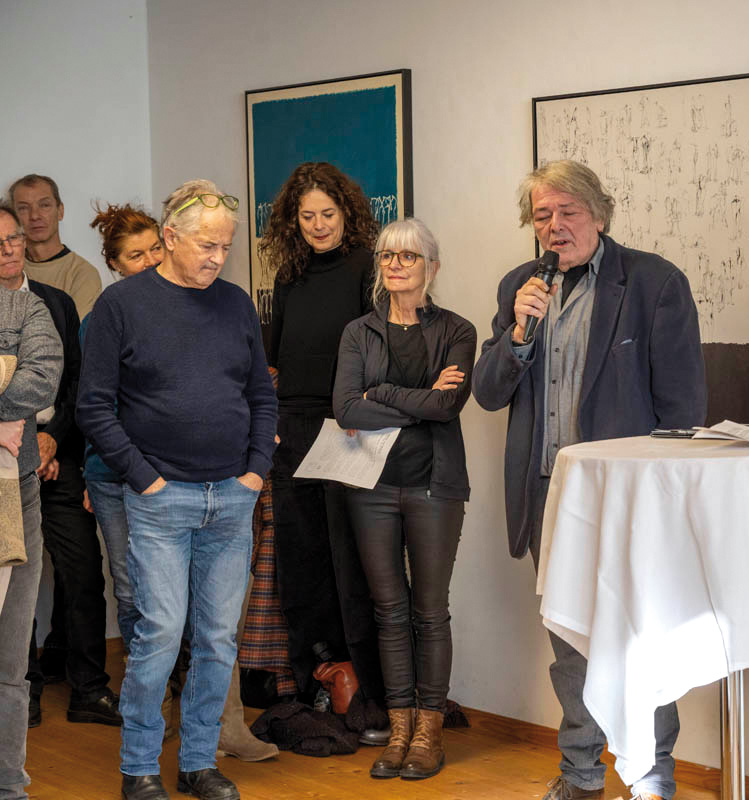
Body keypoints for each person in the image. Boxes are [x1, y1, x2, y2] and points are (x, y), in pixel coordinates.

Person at [473, 160, 706, 800]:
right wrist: (519, 332)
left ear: (599, 215)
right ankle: (581, 775)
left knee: (643, 641)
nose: (555, 226)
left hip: (629, 498)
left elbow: (684, 410)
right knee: (570, 645)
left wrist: (668, 506)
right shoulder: (519, 287)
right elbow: (488, 393)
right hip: (548, 494)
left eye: (568, 212)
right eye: (542, 215)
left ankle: (652, 776)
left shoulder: (654, 283)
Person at [77, 180, 277, 800]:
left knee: (217, 639)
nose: (217, 257)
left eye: (225, 246)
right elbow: (93, 406)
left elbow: (261, 395)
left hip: (232, 497)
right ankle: (138, 769)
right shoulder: (121, 305)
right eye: (206, 245)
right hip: (161, 500)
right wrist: (147, 480)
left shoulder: (236, 304)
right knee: (160, 633)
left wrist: (255, 471)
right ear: (169, 237)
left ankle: (197, 763)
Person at [333, 218, 476, 780]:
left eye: (408, 256)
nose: (395, 265)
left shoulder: (458, 330)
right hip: (370, 487)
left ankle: (429, 734)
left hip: (434, 485)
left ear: (431, 267)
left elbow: (447, 407)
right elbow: (346, 408)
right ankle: (398, 731)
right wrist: (418, 401)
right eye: (388, 256)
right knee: (388, 610)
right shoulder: (358, 332)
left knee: (429, 611)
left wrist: (384, 394)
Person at [260, 162, 385, 720]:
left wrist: (355, 412)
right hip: (294, 426)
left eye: (327, 214)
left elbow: (377, 352)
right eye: (307, 216)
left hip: (347, 426)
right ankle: (315, 674)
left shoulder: (367, 267)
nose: (318, 225)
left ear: (346, 213)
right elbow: (276, 358)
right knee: (301, 560)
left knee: (348, 560)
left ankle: (360, 681)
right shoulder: (289, 275)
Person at [3, 232, 120, 729]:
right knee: (16, 580)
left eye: (12, 239)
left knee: (83, 571)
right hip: (8, 462)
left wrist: (53, 438)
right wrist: (32, 444)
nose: (7, 249)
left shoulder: (55, 302)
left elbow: (75, 381)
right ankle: (23, 691)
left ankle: (89, 688)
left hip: (61, 452)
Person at [0, 202, 64, 800]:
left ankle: (10, 785)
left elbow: (41, 380)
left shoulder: (32, 309)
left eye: (13, 237)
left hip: (16, 493)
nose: (7, 249)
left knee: (10, 658)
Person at [83, 203, 165, 649]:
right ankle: (143, 682)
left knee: (177, 588)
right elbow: (95, 407)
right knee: (131, 586)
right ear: (115, 265)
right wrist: (95, 471)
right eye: (136, 255)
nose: (151, 260)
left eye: (156, 248)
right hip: (113, 477)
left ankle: (181, 680)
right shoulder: (100, 320)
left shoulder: (188, 306)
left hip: (174, 473)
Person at [9, 174, 103, 316]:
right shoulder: (8, 268)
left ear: (60, 211)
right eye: (23, 208)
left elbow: (74, 329)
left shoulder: (81, 274)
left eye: (44, 205)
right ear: (13, 217)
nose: (34, 216)